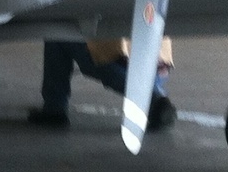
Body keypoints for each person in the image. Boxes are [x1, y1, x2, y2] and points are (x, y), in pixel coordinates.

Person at [28, 36, 177, 130]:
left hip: (114, 56)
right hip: (158, 57)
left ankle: (54, 108)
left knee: (57, 32)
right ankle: (155, 94)